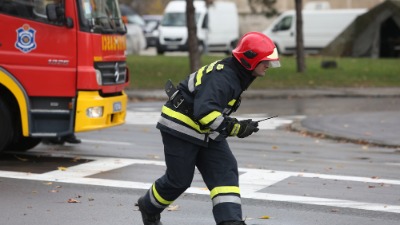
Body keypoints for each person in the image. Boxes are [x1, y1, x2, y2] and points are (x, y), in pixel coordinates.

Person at [136, 32, 280, 225]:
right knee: (178, 181)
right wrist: (236, 128)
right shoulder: (224, 77)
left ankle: (230, 221)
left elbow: (210, 114)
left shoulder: (236, 75)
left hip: (206, 131)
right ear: (250, 61)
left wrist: (236, 125)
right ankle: (148, 207)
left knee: (225, 170)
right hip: (181, 128)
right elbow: (205, 113)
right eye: (265, 61)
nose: (268, 66)